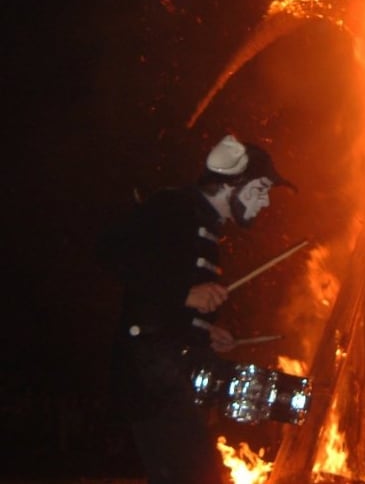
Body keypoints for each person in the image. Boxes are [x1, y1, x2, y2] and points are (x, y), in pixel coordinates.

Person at [98, 134, 293, 484]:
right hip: (149, 372)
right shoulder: (172, 207)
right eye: (260, 188)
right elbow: (113, 252)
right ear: (232, 183)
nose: (265, 202)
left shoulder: (207, 230)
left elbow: (166, 301)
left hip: (168, 371)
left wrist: (205, 332)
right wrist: (185, 295)